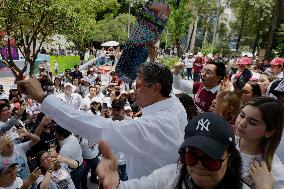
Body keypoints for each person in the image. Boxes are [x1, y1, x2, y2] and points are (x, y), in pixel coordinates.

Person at [17, 63, 188, 179]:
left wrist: (42, 97)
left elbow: (99, 128)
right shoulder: (173, 103)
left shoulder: (157, 125)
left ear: (156, 88)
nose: (134, 91)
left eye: (138, 86)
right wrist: (152, 56)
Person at [96, 112, 272, 189]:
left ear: (230, 158)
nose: (199, 166)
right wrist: (112, 185)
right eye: (191, 157)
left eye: (210, 159)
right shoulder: (171, 177)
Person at [235, 97, 284, 188]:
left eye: (252, 122)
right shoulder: (226, 141)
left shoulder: (276, 173)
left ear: (269, 132)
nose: (242, 123)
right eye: (242, 115)